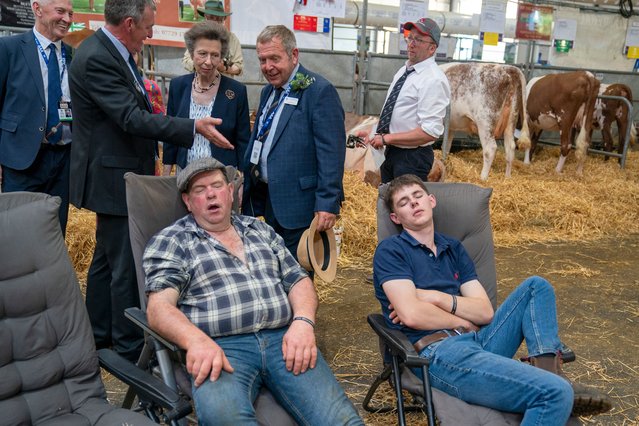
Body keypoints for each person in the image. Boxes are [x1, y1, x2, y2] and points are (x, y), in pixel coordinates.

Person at [373, 174, 612, 424]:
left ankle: (550, 372)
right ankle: (555, 388)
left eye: (417, 195)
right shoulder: (392, 251)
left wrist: (435, 297)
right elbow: (412, 315)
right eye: (403, 202)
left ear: (431, 201)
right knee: (555, 394)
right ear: (395, 218)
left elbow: (485, 312)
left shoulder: (453, 248)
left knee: (536, 287)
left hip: (479, 340)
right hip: (439, 354)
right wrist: (464, 322)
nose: (413, 203)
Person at [69, 0, 232, 362]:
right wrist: (191, 127)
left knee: (106, 260)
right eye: (146, 27)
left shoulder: (111, 52)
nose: (150, 33)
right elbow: (130, 117)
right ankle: (126, 348)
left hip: (115, 170)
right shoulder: (98, 57)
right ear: (129, 23)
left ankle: (99, 335)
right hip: (112, 175)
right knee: (125, 264)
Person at [143, 157, 363, 425]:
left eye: (216, 185)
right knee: (226, 420)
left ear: (231, 192)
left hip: (285, 340)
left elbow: (298, 280)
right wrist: (195, 342)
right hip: (220, 347)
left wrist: (303, 322)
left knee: (342, 421)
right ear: (188, 202)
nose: (211, 193)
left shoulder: (259, 229)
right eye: (200, 190)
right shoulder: (173, 240)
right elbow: (158, 308)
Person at [242, 25, 346, 259]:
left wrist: (327, 203)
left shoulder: (319, 91)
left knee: (297, 275)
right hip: (270, 201)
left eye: (274, 58)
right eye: (262, 60)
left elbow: (332, 153)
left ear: (294, 55)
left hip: (301, 206)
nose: (268, 67)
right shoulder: (268, 92)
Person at [0, 0, 74, 235]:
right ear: (37, 9)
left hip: (63, 160)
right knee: (18, 233)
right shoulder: (9, 48)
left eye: (71, 13)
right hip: (21, 159)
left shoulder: (73, 55)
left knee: (54, 232)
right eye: (60, 11)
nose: (67, 19)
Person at [358, 18, 450, 184]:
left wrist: (386, 139)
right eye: (410, 37)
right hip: (392, 153)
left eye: (418, 40)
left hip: (412, 158)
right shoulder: (404, 71)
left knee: (405, 208)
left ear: (432, 48)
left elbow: (429, 132)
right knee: (389, 205)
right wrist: (374, 134)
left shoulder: (433, 79)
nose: (411, 43)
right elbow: (395, 114)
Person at [163, 21, 249, 176]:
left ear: (221, 57)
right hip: (185, 173)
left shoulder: (236, 91)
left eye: (215, 55)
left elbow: (243, 140)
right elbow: (171, 134)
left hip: (222, 176)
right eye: (202, 54)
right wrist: (166, 175)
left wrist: (242, 180)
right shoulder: (178, 86)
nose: (208, 62)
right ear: (191, 53)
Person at [182, 0, 243, 77]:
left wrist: (223, 68)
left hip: (223, 85)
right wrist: (201, 64)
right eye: (211, 17)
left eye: (218, 18)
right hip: (199, 84)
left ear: (224, 18)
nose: (214, 21)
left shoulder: (232, 39)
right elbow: (186, 61)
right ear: (205, 17)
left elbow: (238, 68)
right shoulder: (197, 35)